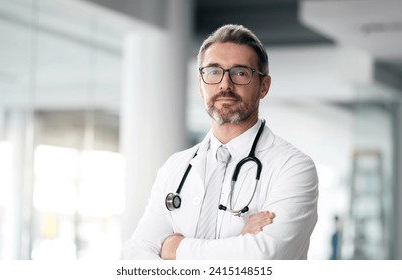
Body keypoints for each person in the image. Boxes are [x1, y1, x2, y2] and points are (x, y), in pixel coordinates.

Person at [123, 24, 318, 260]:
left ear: (263, 86)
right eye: (213, 72)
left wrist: (175, 248)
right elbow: (134, 257)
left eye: (240, 73)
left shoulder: (293, 167)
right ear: (200, 84)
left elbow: (265, 258)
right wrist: (237, 244)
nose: (225, 84)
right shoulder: (175, 168)